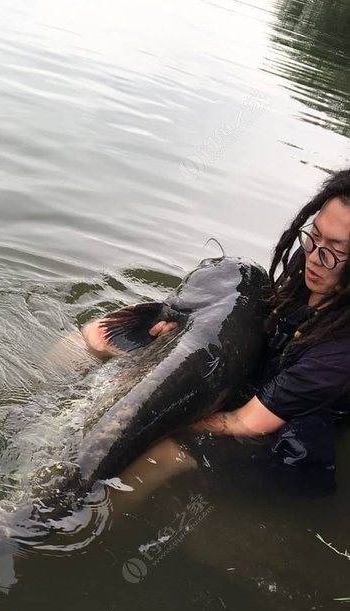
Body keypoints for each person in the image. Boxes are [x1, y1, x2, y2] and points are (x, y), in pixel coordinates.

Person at [81, 168, 350, 481]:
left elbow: (239, 423)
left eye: (335, 250)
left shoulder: (339, 354)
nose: (315, 258)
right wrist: (174, 338)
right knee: (94, 336)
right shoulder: (312, 266)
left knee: (159, 453)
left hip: (269, 433)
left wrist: (146, 416)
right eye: (314, 237)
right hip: (254, 378)